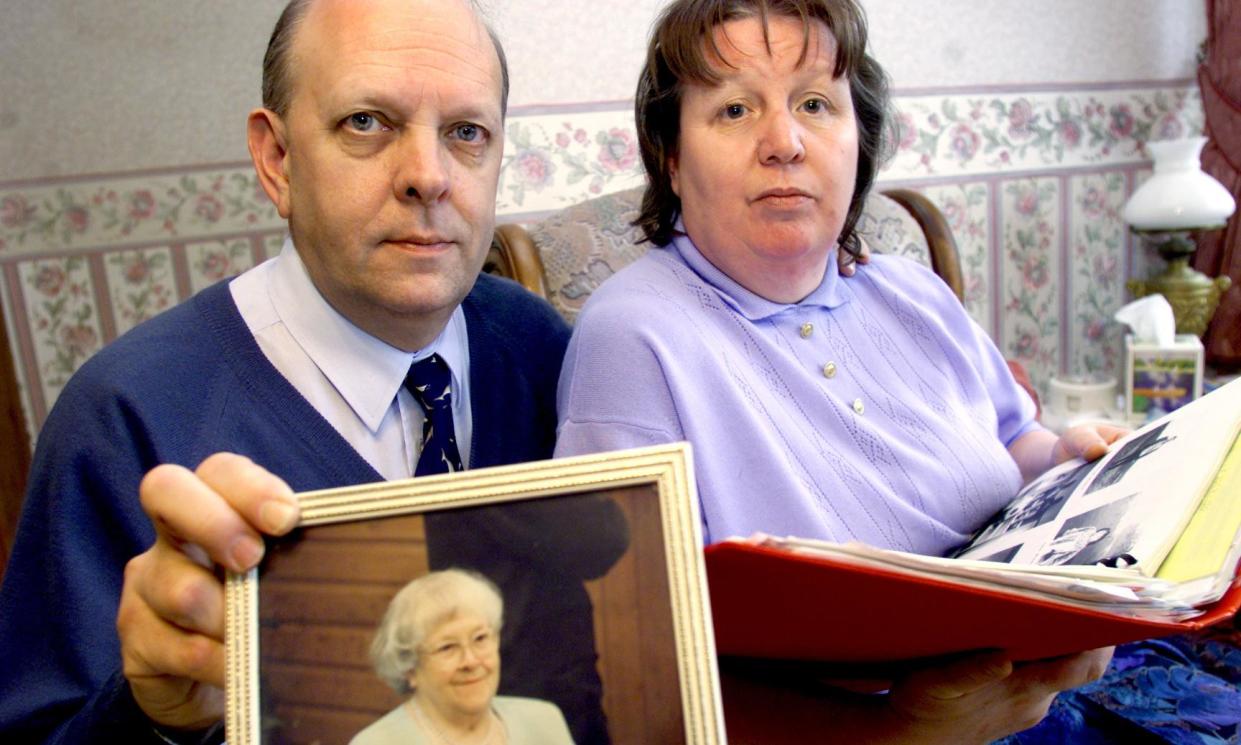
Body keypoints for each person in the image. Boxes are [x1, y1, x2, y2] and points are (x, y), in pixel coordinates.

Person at [0, 1, 628, 743]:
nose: (427, 176)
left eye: (466, 133)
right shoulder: (126, 418)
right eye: (367, 122)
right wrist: (153, 718)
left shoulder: (536, 345)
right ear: (277, 159)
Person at [553, 0, 1138, 741]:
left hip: (1045, 686)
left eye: (814, 104)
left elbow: (1014, 441)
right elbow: (626, 647)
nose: (784, 142)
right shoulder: (634, 336)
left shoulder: (911, 291)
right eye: (734, 109)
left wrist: (1069, 455)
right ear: (670, 156)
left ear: (856, 138)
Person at [352, 569, 574, 745]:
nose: (470, 661)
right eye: (447, 647)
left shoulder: (544, 721)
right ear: (410, 668)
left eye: (479, 639)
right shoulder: (376, 742)